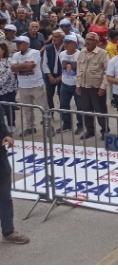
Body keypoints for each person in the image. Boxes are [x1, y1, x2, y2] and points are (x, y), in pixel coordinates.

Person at [0, 83, 29, 244]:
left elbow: (1, 124)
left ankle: (8, 231)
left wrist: (7, 135)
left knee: (5, 197)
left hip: (1, 160)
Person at [10, 36, 47, 137]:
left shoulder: (35, 52)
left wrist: (19, 66)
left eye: (20, 43)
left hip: (36, 85)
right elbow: (12, 68)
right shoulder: (16, 55)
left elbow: (32, 66)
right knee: (27, 109)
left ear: (27, 44)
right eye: (17, 43)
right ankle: (30, 127)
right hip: (23, 85)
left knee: (43, 107)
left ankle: (48, 126)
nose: (17, 45)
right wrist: (24, 65)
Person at [76, 32, 110, 140]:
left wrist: (103, 87)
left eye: (90, 39)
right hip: (84, 86)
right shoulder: (82, 52)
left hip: (97, 87)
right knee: (86, 110)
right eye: (86, 39)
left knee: (100, 110)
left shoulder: (103, 53)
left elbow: (107, 72)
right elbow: (79, 69)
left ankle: (105, 131)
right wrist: (78, 84)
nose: (87, 41)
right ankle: (90, 130)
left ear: (96, 41)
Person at [57, 34, 83, 134]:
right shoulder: (62, 54)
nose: (66, 44)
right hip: (65, 84)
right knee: (63, 105)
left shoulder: (80, 55)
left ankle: (81, 125)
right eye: (65, 42)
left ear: (74, 44)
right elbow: (62, 68)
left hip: (77, 85)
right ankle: (67, 124)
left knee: (80, 106)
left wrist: (79, 84)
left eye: (68, 42)